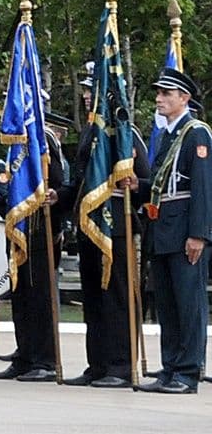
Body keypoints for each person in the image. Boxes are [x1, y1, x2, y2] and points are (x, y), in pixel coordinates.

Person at [68, 62, 145, 386]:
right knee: (94, 298)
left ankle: (121, 365)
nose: (87, 96)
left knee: (116, 296)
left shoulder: (127, 136)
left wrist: (136, 185)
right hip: (91, 224)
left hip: (116, 224)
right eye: (86, 91)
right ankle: (98, 363)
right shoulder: (90, 132)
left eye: (93, 91)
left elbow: (145, 179)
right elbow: (81, 178)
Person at [134, 68, 210, 393]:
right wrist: (139, 185)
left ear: (184, 98)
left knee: (188, 303)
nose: (159, 99)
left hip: (184, 231)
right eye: (159, 93)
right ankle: (170, 367)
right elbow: (162, 186)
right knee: (167, 303)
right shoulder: (168, 135)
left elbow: (203, 188)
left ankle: (188, 371)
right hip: (163, 229)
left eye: (167, 93)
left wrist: (199, 234)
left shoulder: (197, 134)